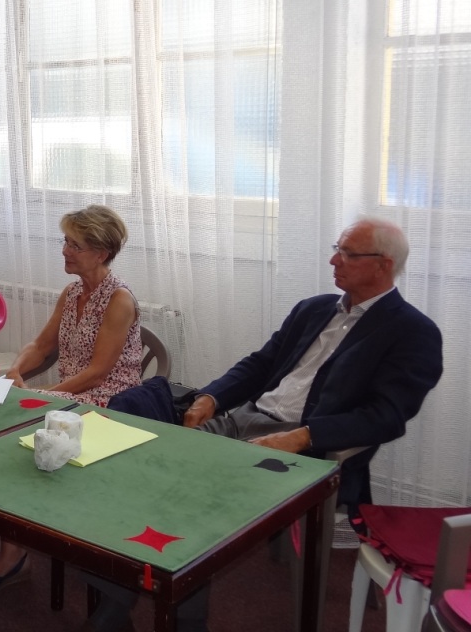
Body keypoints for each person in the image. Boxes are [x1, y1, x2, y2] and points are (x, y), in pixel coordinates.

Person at [85, 217, 444, 632]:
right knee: (139, 469)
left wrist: (302, 436)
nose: (334, 260)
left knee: (189, 499)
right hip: (241, 421)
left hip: (309, 449)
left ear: (384, 265)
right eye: (337, 249)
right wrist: (211, 397)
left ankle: (162, 619)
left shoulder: (413, 332)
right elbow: (260, 364)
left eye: (348, 253)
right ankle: (119, 601)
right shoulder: (314, 309)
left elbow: (386, 416)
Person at [0, 204, 144, 598]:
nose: (65, 250)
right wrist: (16, 370)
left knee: (16, 424)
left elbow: (98, 373)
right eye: (65, 241)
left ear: (101, 253)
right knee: (0, 411)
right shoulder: (72, 291)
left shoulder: (119, 299)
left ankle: (13, 551)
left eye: (75, 245)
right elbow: (42, 345)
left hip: (109, 404)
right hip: (74, 395)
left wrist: (41, 394)